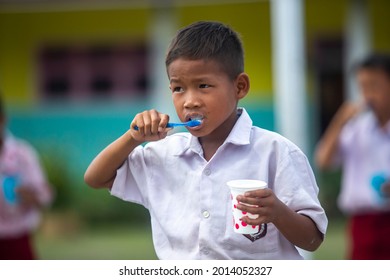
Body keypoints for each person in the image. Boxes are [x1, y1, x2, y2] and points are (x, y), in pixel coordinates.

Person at [84, 21, 327, 260]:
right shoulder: (163, 154)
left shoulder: (276, 152)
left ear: (240, 87)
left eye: (203, 85)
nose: (190, 101)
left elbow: (312, 239)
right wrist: (133, 138)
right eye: (178, 89)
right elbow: (96, 178)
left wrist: (278, 212)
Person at [315, 53, 390, 259]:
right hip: (362, 223)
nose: (368, 95)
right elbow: (323, 161)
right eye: (363, 87)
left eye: (374, 86)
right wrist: (339, 121)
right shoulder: (357, 128)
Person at [0, 94, 53, 260]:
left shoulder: (22, 154)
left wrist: (31, 196)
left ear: (3, 119)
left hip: (17, 240)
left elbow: (45, 196)